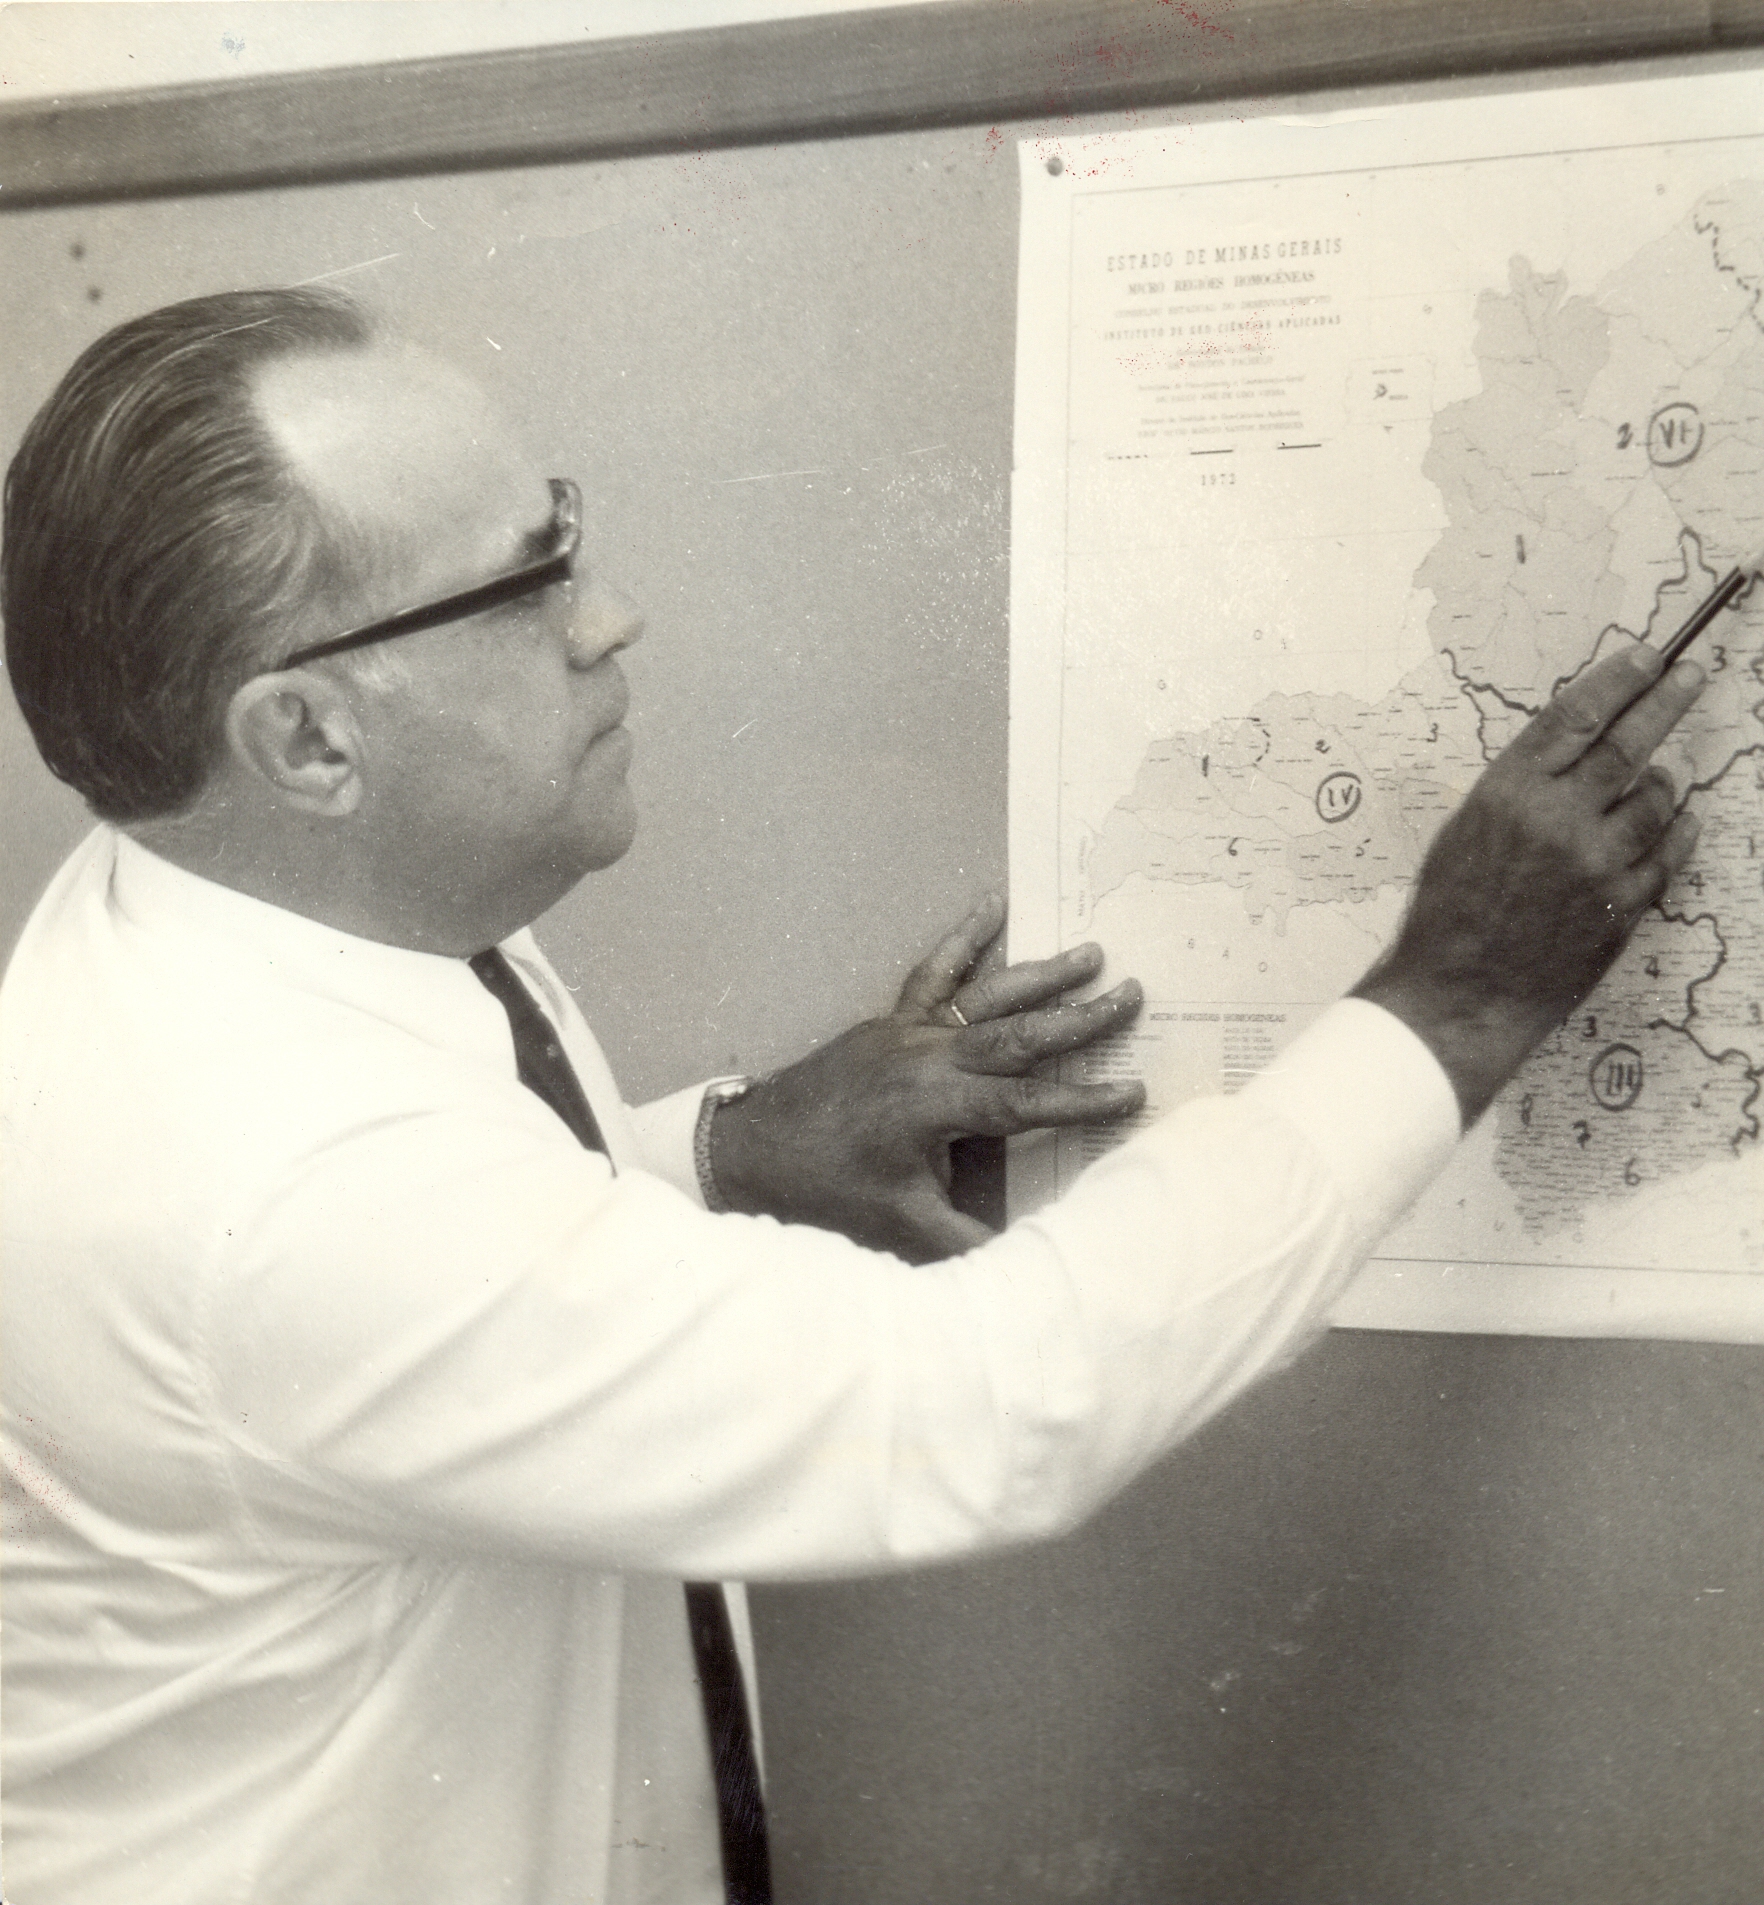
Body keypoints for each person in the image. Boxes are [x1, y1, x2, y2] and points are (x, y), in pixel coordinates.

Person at [0, 288, 1704, 1905]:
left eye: (563, 528)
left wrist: (720, 1155)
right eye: (526, 582)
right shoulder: (269, 1177)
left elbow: (432, 1261)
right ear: (308, 741)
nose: (608, 618)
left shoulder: (253, 903)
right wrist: (1452, 1000)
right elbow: (979, 1403)